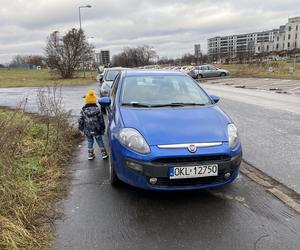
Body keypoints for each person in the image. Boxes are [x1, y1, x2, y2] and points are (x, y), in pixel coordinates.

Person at [78, 90, 108, 160]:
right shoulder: (97, 109)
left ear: (86, 100)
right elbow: (101, 120)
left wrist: (81, 128)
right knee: (99, 140)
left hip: (88, 129)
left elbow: (80, 120)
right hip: (96, 129)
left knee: (90, 141)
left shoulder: (83, 110)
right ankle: (104, 153)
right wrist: (102, 128)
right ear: (94, 100)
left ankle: (90, 154)